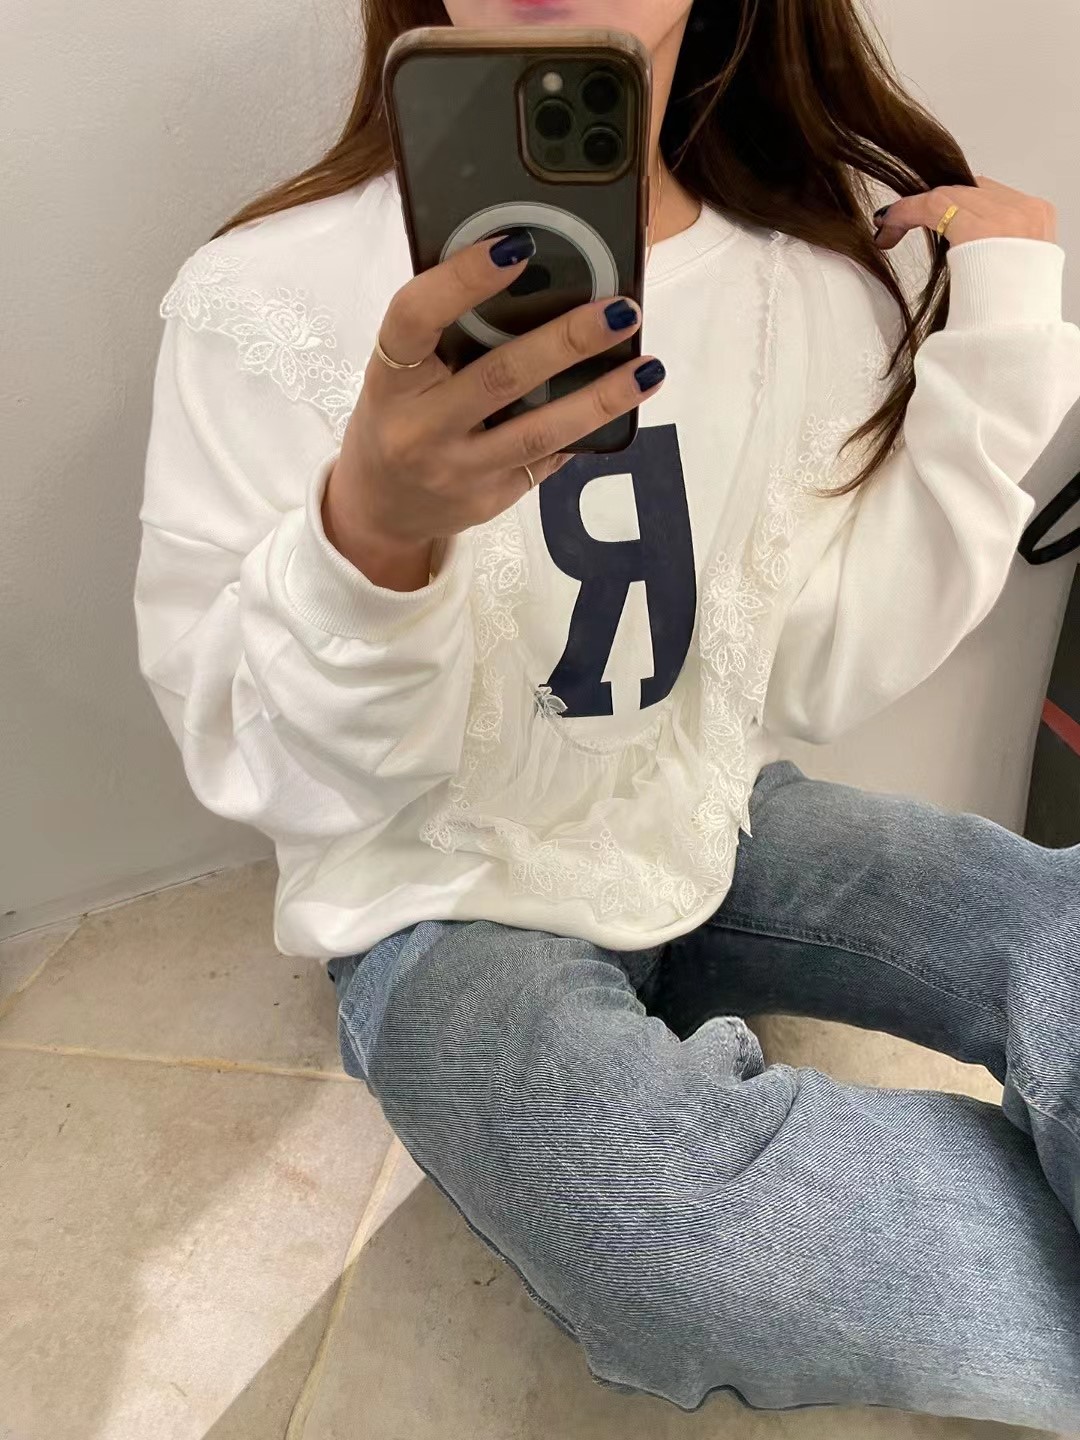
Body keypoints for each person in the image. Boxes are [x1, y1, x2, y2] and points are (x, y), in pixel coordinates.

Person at [135, 0, 1080, 1427]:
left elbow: (815, 674)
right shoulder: (262, 297)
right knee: (678, 1241)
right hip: (442, 898)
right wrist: (371, 535)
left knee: (1057, 927)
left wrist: (1000, 337)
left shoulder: (809, 290)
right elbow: (253, 760)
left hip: (707, 810)